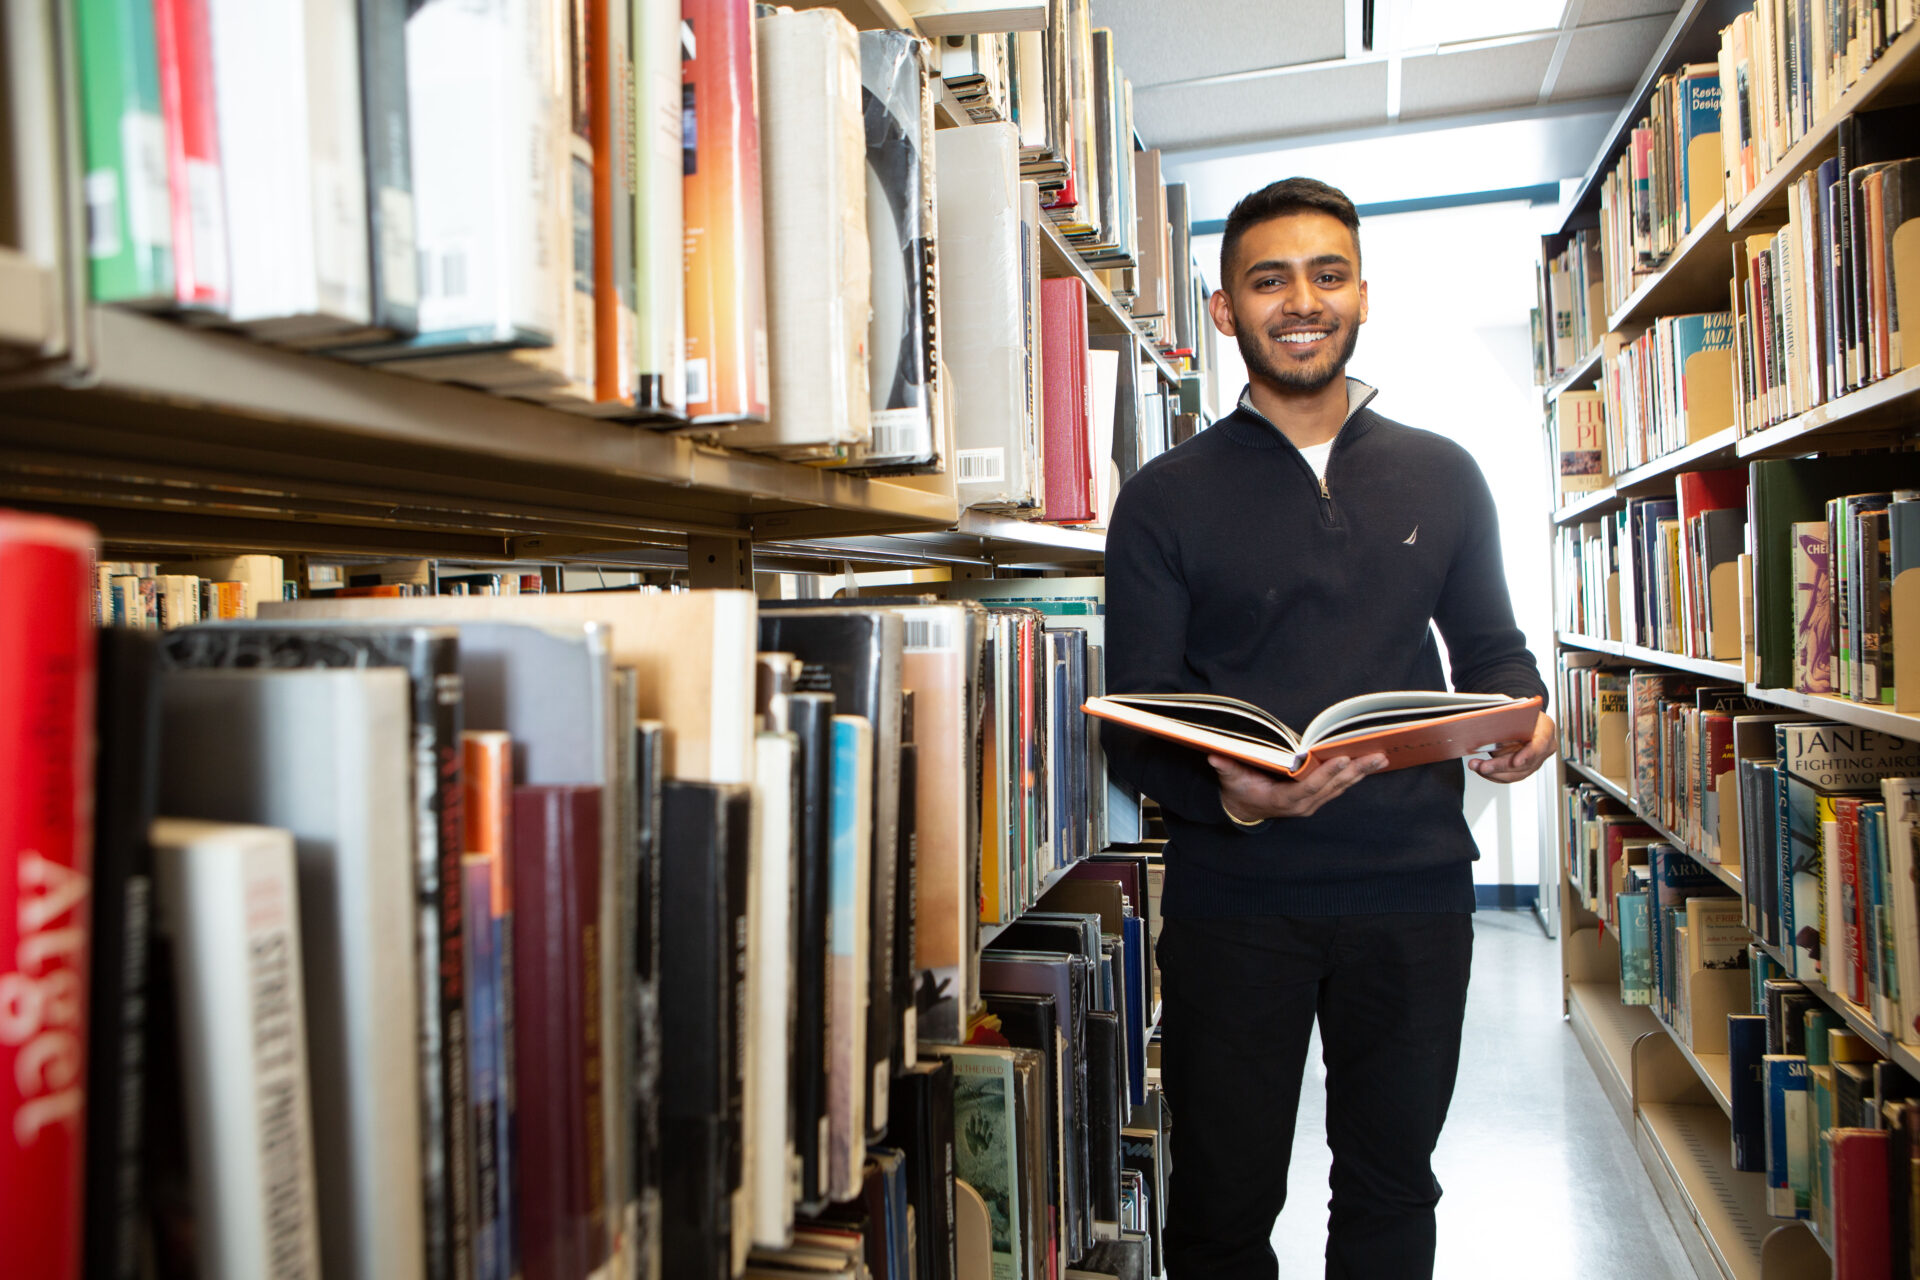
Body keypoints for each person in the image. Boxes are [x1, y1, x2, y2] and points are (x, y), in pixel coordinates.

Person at [1101, 176, 1557, 1280]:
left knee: (1393, 1186)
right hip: (1234, 905)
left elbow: (1496, 655)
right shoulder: (1163, 496)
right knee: (1222, 1199)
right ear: (1225, 309)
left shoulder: (1444, 472)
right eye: (1269, 279)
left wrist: (1523, 725)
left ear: (1361, 294)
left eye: (1326, 273)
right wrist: (1231, 796)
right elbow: (1133, 721)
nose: (1301, 300)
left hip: (1413, 892)